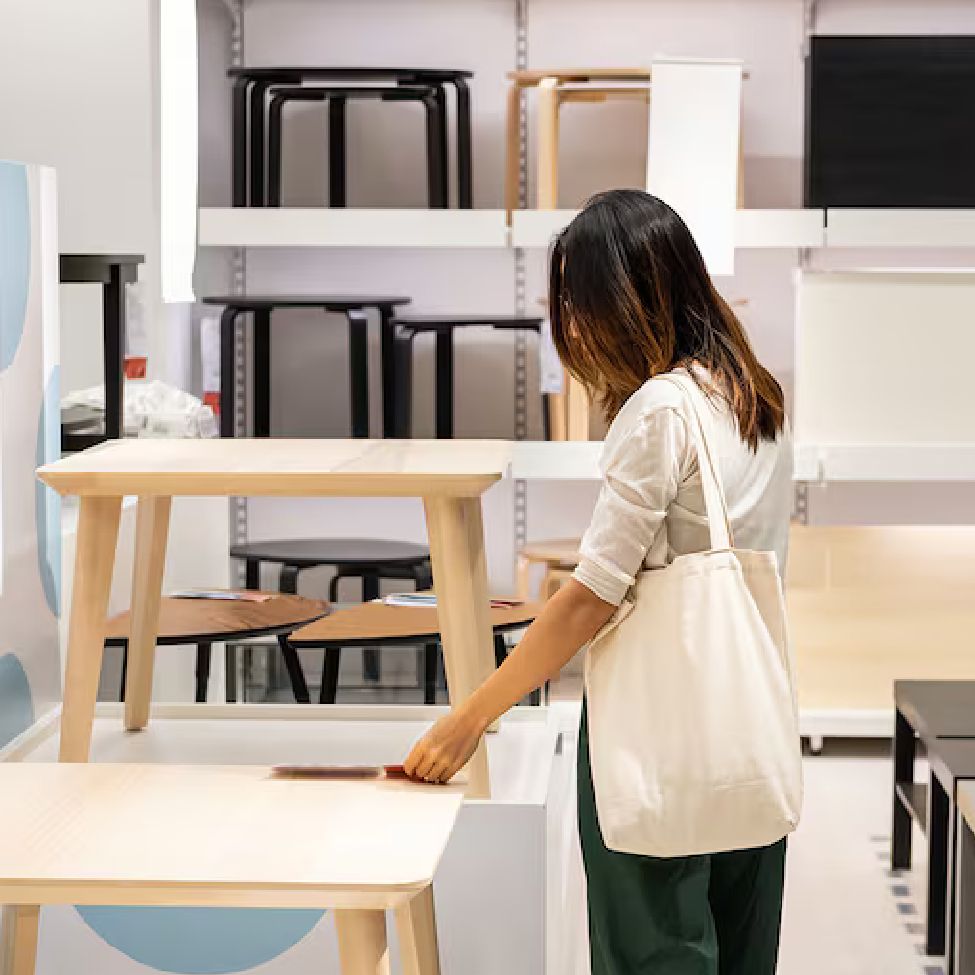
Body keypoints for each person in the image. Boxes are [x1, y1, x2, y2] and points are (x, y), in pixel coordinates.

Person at [404, 189, 794, 975]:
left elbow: (591, 597)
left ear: (627, 300)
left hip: (657, 736)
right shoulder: (751, 395)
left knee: (653, 951)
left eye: (580, 305)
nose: (573, 330)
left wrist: (469, 715)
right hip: (746, 727)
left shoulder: (657, 411)